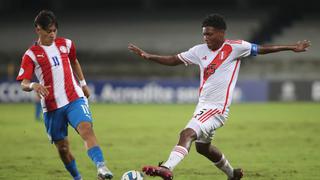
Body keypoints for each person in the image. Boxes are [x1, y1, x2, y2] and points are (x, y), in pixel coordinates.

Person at [128, 14, 310, 180]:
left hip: (217, 109)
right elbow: (174, 59)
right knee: (203, 148)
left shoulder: (236, 47)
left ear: (222, 33)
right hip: (202, 106)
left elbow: (263, 49)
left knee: (186, 133)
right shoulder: (199, 51)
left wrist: (293, 47)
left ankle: (167, 168)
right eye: (204, 35)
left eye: (210, 34)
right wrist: (148, 56)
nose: (206, 38)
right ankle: (233, 174)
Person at [16, 10, 113, 180]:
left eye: (55, 30)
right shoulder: (30, 54)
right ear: (38, 29)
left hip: (74, 98)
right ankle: (77, 177)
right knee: (63, 149)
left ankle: (101, 167)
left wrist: (83, 84)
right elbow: (23, 83)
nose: (52, 34)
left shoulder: (66, 44)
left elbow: (74, 61)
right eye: (48, 31)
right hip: (52, 106)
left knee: (86, 129)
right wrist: (33, 85)